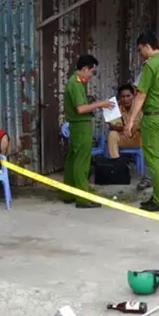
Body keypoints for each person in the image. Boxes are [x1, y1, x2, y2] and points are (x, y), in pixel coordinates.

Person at [125, 32, 159, 212]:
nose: (140, 54)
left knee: (154, 160)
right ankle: (158, 197)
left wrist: (130, 120)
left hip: (152, 117)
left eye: (140, 50)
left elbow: (141, 95)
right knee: (157, 157)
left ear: (147, 46)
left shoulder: (151, 65)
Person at [62, 54, 115, 209]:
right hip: (81, 125)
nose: (92, 76)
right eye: (92, 72)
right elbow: (81, 109)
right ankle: (82, 197)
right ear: (84, 69)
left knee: (73, 159)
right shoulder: (76, 84)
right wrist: (101, 104)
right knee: (82, 161)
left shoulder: (75, 82)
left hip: (77, 125)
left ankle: (69, 193)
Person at [106, 84, 142, 158]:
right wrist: (115, 126)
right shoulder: (116, 107)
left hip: (138, 139)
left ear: (133, 96)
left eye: (128, 96)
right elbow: (115, 126)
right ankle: (116, 161)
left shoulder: (140, 107)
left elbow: (143, 124)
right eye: (123, 96)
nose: (125, 99)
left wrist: (134, 127)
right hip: (123, 138)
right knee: (112, 134)